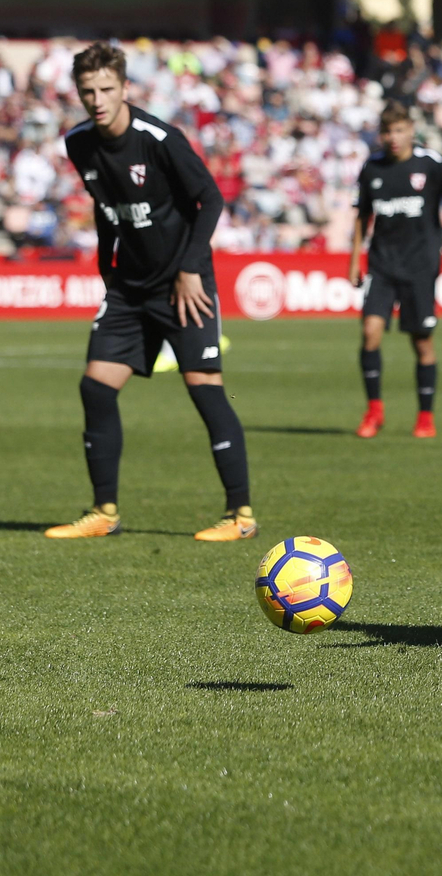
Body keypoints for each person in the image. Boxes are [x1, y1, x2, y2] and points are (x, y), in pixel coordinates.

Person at [45, 42, 254, 541]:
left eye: (106, 90)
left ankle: (241, 516)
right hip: (129, 286)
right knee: (95, 387)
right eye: (88, 91)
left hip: (184, 283)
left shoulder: (159, 138)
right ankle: (104, 512)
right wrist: (104, 267)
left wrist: (188, 269)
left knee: (205, 390)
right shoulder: (78, 143)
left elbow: (209, 198)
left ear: (124, 88)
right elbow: (105, 205)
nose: (97, 100)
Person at [348, 102, 442, 439]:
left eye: (400, 130)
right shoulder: (371, 168)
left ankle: (424, 416)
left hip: (420, 267)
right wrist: (353, 260)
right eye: (388, 131)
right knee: (370, 333)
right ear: (381, 134)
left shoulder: (430, 164)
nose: (393, 137)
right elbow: (361, 216)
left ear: (411, 132)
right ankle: (374, 410)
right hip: (382, 265)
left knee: (422, 344)